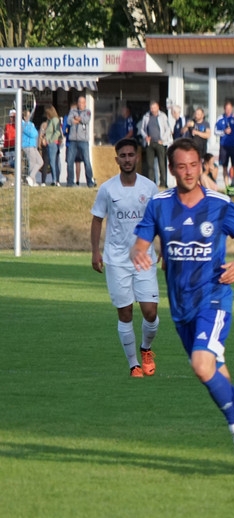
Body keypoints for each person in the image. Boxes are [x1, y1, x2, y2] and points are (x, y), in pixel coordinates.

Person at [130, 137, 234, 476]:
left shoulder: (219, 204)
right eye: (181, 166)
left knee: (200, 365)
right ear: (171, 169)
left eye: (194, 165)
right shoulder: (159, 204)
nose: (189, 172)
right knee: (215, 374)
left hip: (214, 298)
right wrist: (139, 252)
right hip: (182, 307)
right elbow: (141, 242)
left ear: (201, 165)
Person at [90, 137, 161, 378]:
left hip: (144, 258)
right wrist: (95, 251)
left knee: (150, 312)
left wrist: (163, 246)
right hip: (117, 260)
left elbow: (159, 220)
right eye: (123, 156)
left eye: (131, 155)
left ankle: (146, 349)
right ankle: (134, 365)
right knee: (125, 312)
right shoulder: (107, 189)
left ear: (137, 157)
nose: (127, 159)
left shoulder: (149, 188)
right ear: (117, 159)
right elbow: (97, 219)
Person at [138, 101, 172, 186]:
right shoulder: (146, 116)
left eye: (154, 108)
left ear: (158, 108)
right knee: (150, 164)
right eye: (151, 108)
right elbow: (142, 129)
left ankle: (163, 183)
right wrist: (145, 136)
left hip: (159, 142)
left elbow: (168, 129)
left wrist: (163, 139)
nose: (152, 110)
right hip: (150, 143)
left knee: (161, 163)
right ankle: (151, 182)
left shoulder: (163, 116)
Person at [65, 95, 96, 187]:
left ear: (85, 103)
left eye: (82, 102)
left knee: (87, 161)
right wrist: (76, 120)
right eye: (79, 102)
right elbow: (69, 121)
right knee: (70, 161)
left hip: (83, 141)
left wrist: (78, 119)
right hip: (73, 140)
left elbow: (86, 120)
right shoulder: (72, 111)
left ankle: (89, 182)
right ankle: (70, 182)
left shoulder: (88, 111)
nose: (81, 104)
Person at [215, 101, 234, 187]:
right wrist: (224, 131)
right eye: (227, 109)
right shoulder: (220, 118)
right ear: (224, 109)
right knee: (224, 166)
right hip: (224, 146)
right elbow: (215, 131)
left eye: (230, 109)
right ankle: (227, 186)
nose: (228, 110)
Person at [41, 105, 64, 186]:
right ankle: (56, 180)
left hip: (53, 143)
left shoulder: (54, 120)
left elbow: (57, 132)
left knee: (53, 162)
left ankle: (55, 180)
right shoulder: (50, 121)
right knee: (53, 162)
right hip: (51, 143)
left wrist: (50, 140)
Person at [20, 109, 43, 187]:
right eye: (28, 115)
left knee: (40, 161)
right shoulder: (23, 124)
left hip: (32, 145)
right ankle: (31, 180)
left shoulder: (30, 124)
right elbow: (33, 133)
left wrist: (33, 128)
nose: (30, 116)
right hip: (27, 145)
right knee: (32, 162)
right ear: (24, 116)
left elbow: (35, 132)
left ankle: (31, 178)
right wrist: (33, 129)